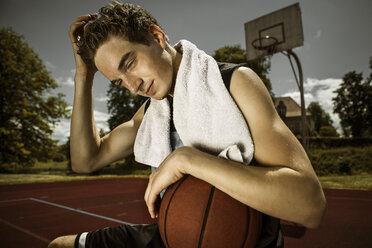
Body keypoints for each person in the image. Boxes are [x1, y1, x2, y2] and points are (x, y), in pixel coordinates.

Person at [49, 2, 326, 248]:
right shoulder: (152, 114)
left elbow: (310, 205)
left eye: (130, 63)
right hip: (177, 233)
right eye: (119, 82)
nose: (133, 86)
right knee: (58, 245)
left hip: (236, 237)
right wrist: (83, 76)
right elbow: (86, 160)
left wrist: (187, 159)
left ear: (156, 37)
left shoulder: (234, 83)